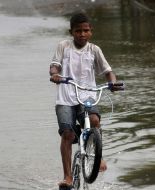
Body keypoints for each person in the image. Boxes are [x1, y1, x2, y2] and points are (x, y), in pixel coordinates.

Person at [49, 12, 118, 189]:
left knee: (94, 120)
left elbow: (108, 71)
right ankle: (67, 177)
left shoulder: (94, 50)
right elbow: (55, 64)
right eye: (78, 31)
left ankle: (98, 156)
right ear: (71, 31)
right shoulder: (63, 46)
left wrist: (112, 82)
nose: (82, 34)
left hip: (87, 95)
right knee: (67, 134)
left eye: (85, 30)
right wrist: (55, 74)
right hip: (65, 98)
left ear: (91, 31)